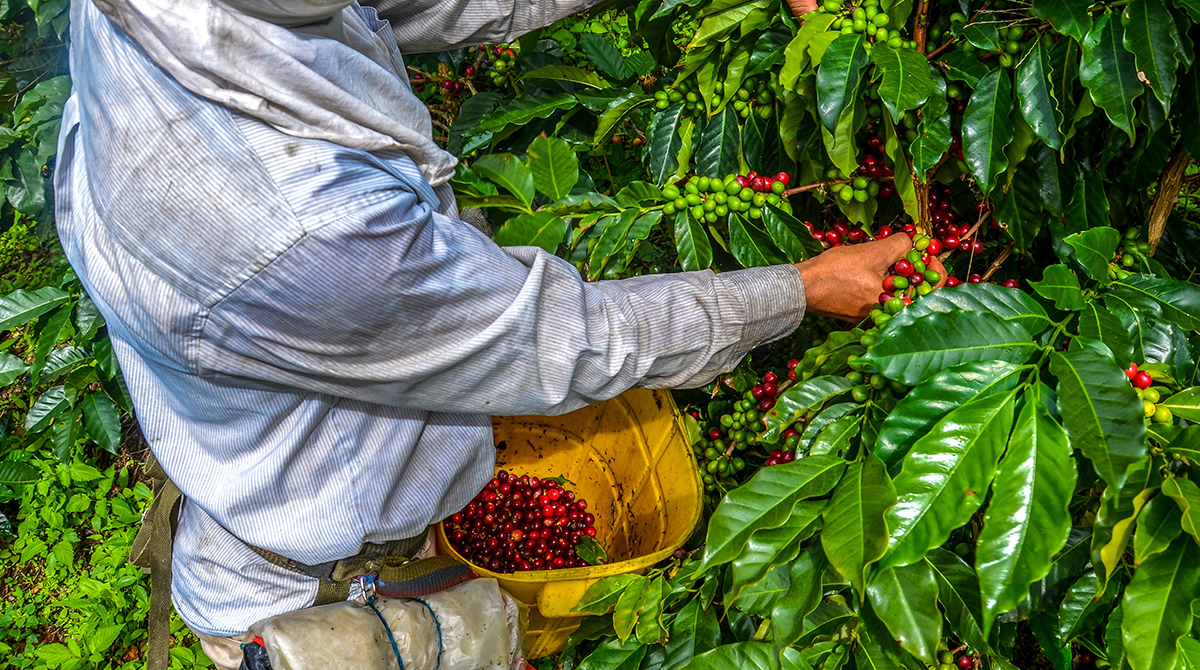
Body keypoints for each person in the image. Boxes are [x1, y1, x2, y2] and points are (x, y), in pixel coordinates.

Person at [54, 0, 932, 668]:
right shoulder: (295, 234)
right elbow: (568, 339)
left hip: (323, 511)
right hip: (325, 604)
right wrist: (802, 289)